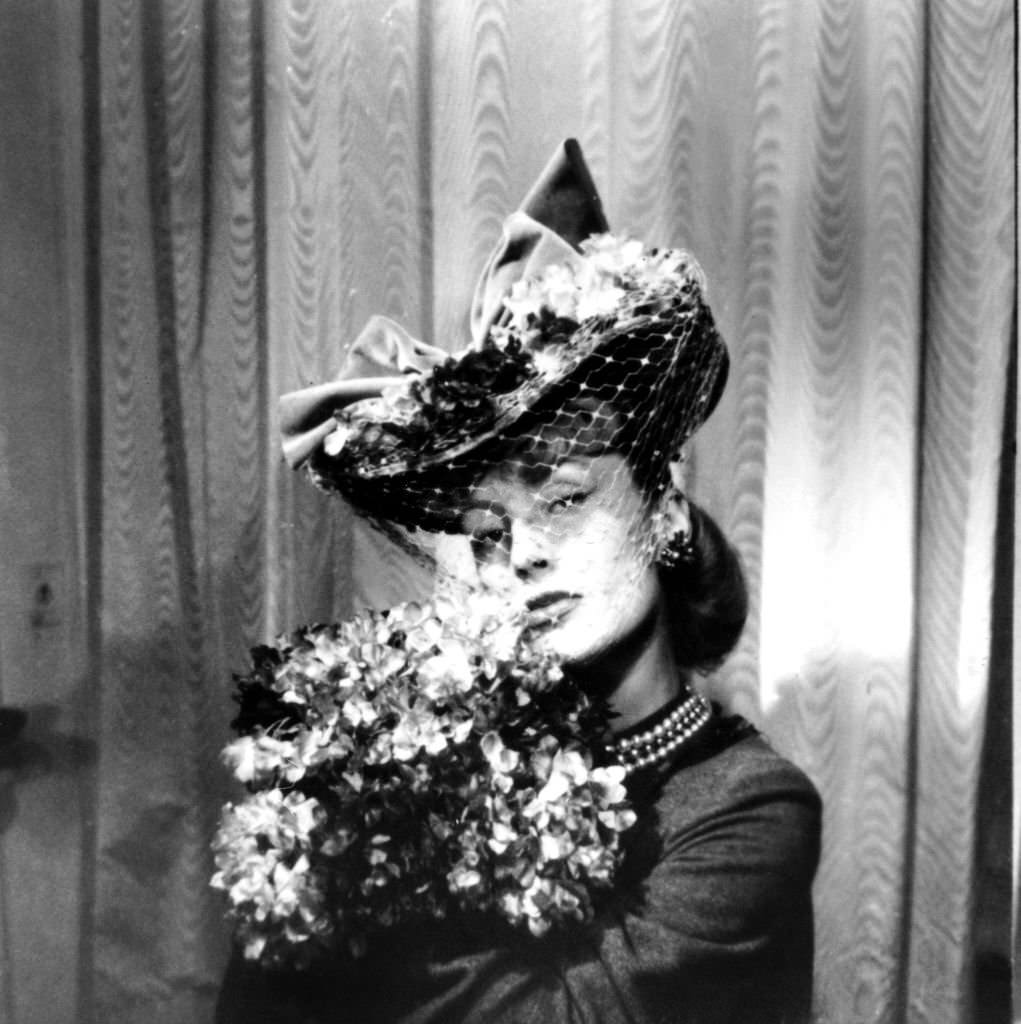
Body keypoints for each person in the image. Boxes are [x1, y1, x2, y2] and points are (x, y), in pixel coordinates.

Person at [217, 139, 821, 1023]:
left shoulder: (749, 807)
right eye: (486, 531)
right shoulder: (432, 766)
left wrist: (366, 848)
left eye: (567, 500)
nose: (525, 554)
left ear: (663, 509)